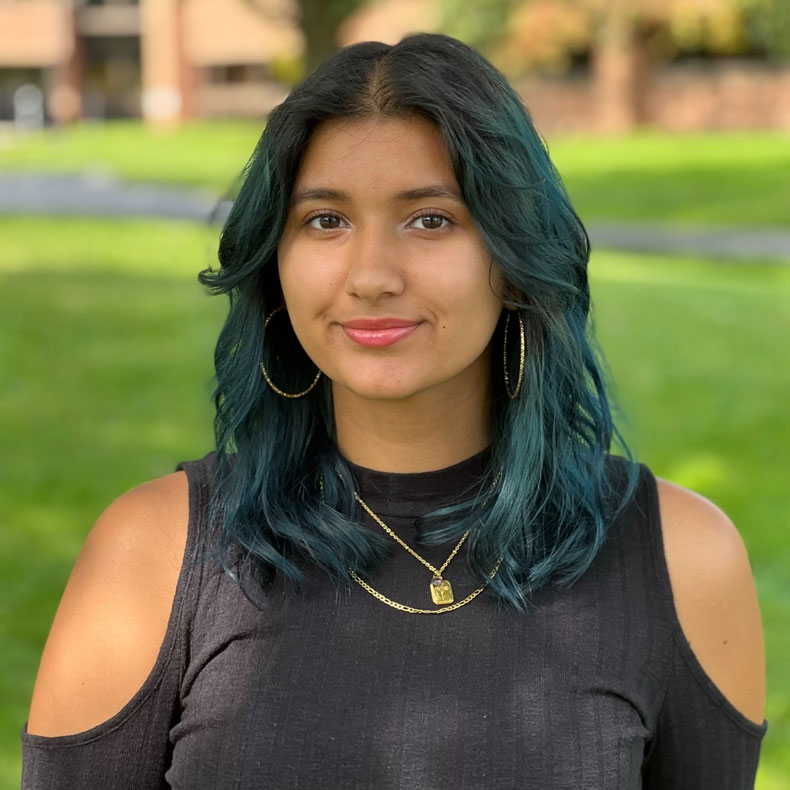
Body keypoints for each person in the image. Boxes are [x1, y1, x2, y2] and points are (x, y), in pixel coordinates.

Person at [21, 33, 766, 789]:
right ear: (276, 265)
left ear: (513, 261)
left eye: (430, 220)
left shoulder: (684, 559)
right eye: (326, 221)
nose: (371, 276)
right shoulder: (150, 557)